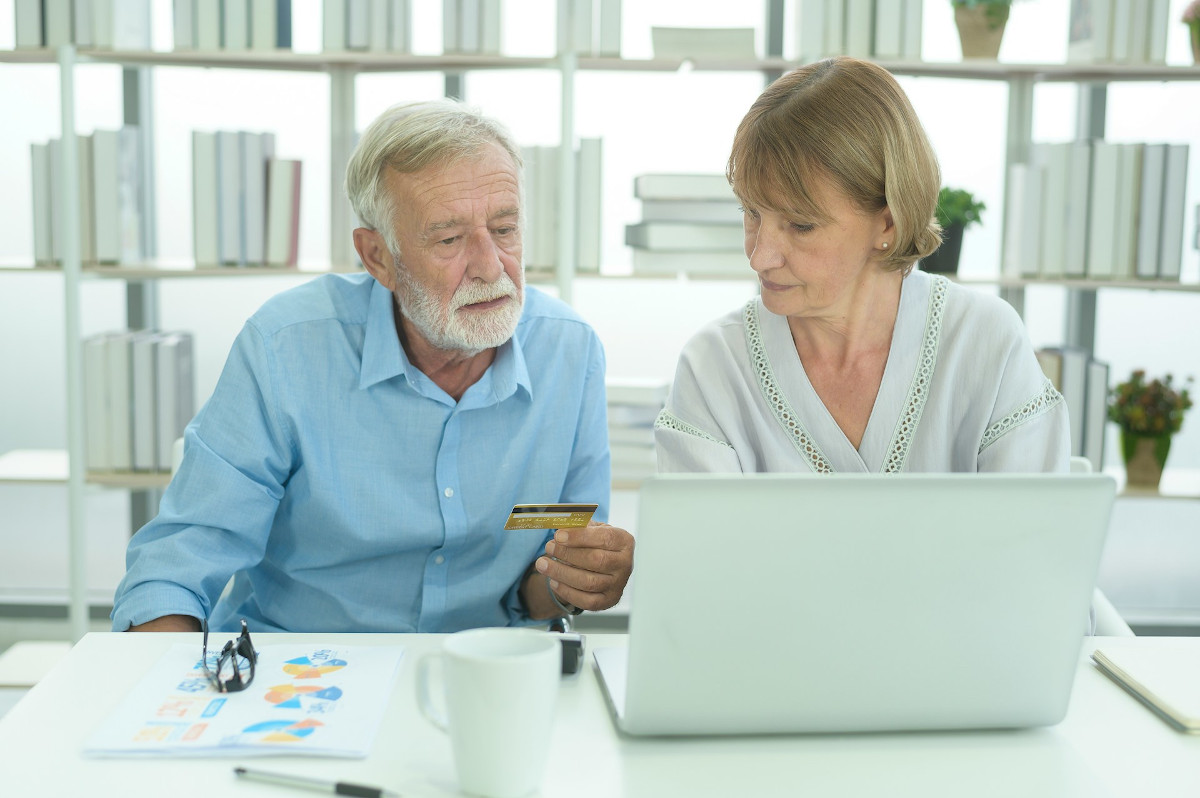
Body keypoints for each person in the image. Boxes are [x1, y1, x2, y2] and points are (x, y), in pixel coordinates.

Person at [111, 99, 634, 634]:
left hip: (487, 676)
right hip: (302, 677)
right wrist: (176, 704)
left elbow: (542, 584)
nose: (489, 266)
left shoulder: (570, 353)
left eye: (504, 229)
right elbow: (173, 572)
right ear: (377, 257)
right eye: (450, 239)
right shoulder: (287, 349)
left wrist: (578, 580)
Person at [655, 56, 1070, 475]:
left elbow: (1037, 534)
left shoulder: (985, 343)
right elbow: (697, 539)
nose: (759, 256)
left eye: (801, 225)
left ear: (887, 221)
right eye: (751, 213)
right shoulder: (714, 365)